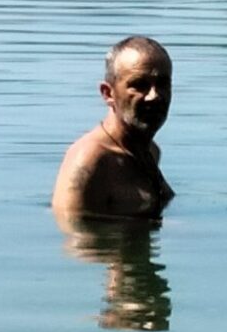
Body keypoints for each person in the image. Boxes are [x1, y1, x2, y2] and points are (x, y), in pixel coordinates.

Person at [52, 36, 174, 220]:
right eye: (139, 85)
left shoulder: (150, 151)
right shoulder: (89, 161)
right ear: (108, 93)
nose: (154, 96)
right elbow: (73, 229)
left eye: (163, 84)